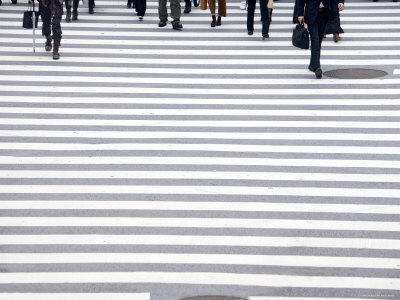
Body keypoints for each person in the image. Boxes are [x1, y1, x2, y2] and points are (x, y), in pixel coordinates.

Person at [298, 0, 334, 79]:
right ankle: (317, 67)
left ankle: (312, 64)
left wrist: (340, 3)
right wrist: (300, 14)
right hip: (311, 13)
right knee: (315, 39)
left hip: (324, 14)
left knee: (319, 40)